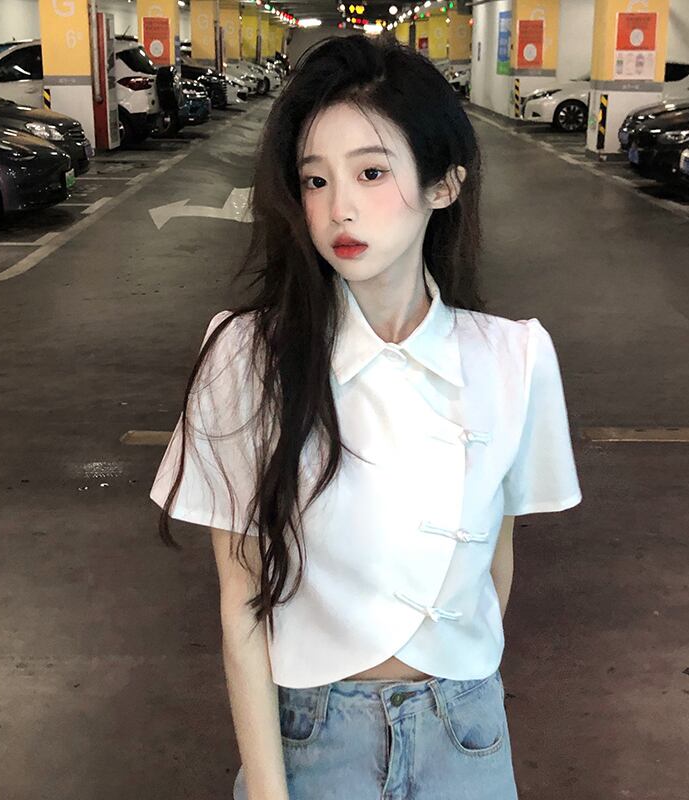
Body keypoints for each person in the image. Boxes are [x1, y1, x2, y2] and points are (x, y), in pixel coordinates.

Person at [149, 33, 582, 800]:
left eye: (371, 172)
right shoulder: (246, 355)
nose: (339, 208)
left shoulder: (515, 357)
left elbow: (497, 560)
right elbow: (241, 598)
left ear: (444, 183)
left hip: (467, 733)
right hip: (313, 737)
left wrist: (456, 675)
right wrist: (271, 791)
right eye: (315, 180)